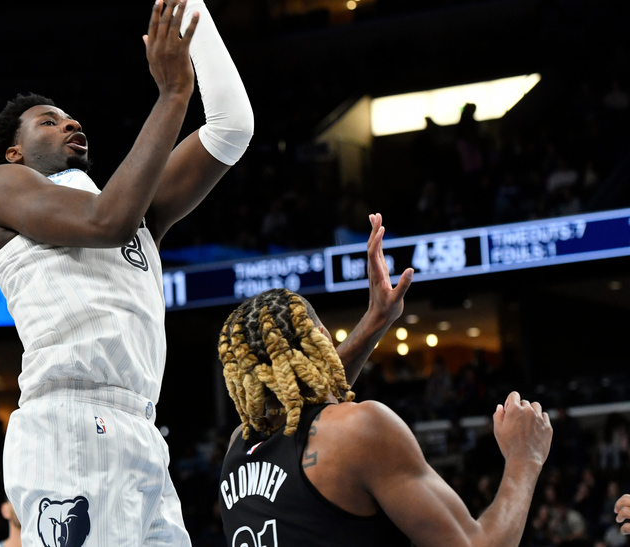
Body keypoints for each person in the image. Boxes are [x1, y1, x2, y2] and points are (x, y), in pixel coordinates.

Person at [0, 0, 405, 545]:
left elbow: (233, 127)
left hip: (142, 431)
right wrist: (174, 92)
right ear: (15, 152)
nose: (71, 125)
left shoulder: (135, 210)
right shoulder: (2, 187)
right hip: (68, 420)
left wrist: (189, 3)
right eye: (49, 122)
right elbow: (105, 219)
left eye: (73, 118)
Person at [217, 230, 553, 547]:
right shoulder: (360, 429)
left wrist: (377, 319)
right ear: (322, 337)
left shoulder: (236, 449)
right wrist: (525, 457)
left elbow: (305, 400)